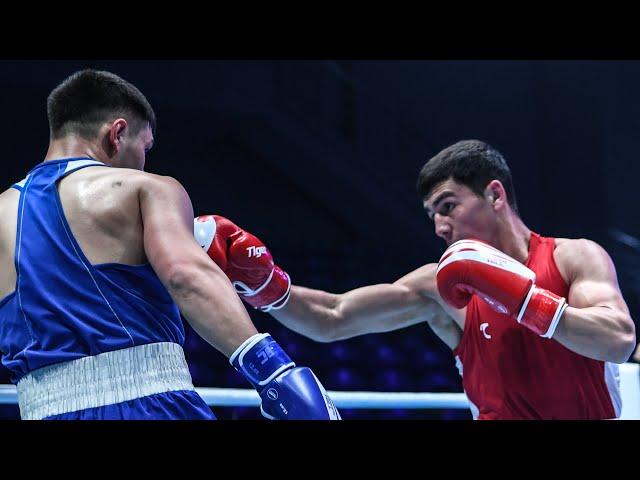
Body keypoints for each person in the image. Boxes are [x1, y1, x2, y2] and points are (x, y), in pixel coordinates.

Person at [195, 139, 637, 420]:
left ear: (495, 194)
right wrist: (266, 285)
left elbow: (618, 340)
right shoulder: (439, 287)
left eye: (448, 206)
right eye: (432, 216)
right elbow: (333, 316)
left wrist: (523, 299)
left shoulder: (574, 256)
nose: (440, 227)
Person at [0, 69, 340, 420]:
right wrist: (274, 372)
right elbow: (185, 276)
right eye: (144, 146)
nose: (145, 160)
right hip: (150, 403)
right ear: (117, 133)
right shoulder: (143, 188)